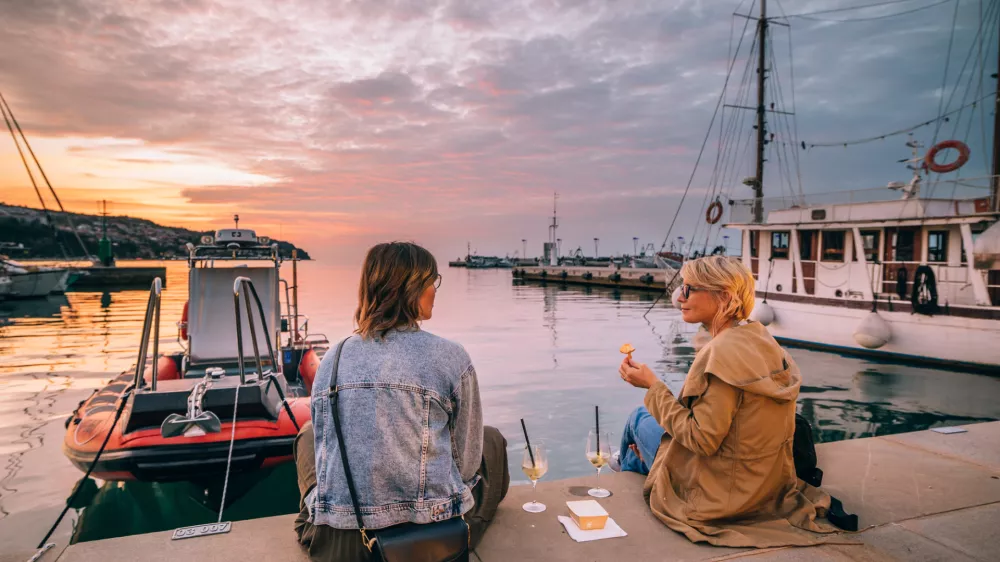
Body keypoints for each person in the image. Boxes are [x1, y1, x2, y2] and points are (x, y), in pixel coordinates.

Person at [294, 242, 510, 561]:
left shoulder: (333, 358)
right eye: (430, 282)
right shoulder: (450, 357)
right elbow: (465, 466)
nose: (434, 291)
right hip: (429, 541)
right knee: (490, 440)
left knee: (310, 434)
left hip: (341, 543)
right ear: (410, 289)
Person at [617, 256, 840, 548]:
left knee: (638, 418)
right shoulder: (762, 339)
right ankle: (636, 461)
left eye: (688, 289)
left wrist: (652, 386)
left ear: (723, 296)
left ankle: (630, 466)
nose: (679, 298)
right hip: (764, 483)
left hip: (721, 494)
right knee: (649, 434)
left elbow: (702, 440)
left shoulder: (720, 354)